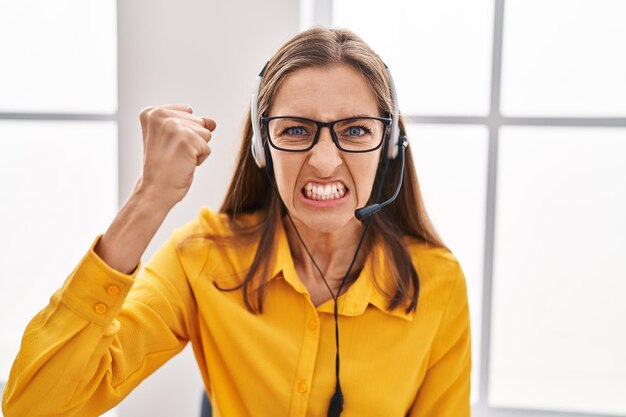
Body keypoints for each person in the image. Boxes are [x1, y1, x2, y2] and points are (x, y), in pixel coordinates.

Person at [1, 27, 471, 417]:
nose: (325, 161)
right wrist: (149, 198)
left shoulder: (437, 283)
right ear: (262, 147)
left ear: (388, 146)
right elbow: (33, 408)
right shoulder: (202, 258)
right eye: (296, 130)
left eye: (354, 131)